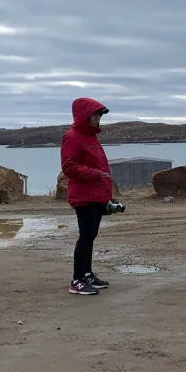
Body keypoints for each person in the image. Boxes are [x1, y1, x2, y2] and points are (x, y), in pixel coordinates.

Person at [60, 98, 114, 295]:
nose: (98, 119)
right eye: (95, 115)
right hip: (83, 196)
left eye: (99, 115)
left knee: (91, 236)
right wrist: (94, 174)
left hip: (96, 195)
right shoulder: (72, 137)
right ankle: (77, 279)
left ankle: (87, 274)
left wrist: (108, 196)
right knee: (85, 237)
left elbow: (102, 168)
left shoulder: (91, 138)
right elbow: (69, 167)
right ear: (85, 116)